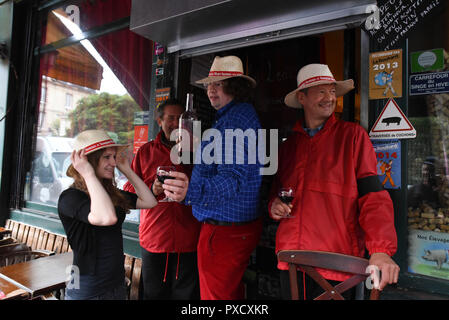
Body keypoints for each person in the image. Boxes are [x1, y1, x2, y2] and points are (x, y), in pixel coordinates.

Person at [269, 64, 400, 299]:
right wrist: (274, 205)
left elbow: (373, 198)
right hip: (291, 260)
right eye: (321, 91)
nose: (329, 98)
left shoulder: (353, 137)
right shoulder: (288, 148)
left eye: (332, 91)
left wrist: (380, 250)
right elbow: (276, 192)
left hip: (337, 263)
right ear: (302, 97)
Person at [163, 55, 263, 300]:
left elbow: (233, 178)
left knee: (215, 298)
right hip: (232, 230)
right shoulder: (232, 118)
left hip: (224, 233)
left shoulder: (235, 121)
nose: (210, 90)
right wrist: (198, 149)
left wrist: (191, 191)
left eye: (219, 84)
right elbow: (228, 165)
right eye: (209, 84)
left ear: (235, 87)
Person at [58, 129, 157, 300]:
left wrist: (127, 169)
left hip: (116, 282)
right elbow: (106, 218)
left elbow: (150, 201)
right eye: (107, 157)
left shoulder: (111, 193)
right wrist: (88, 173)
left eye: (114, 156)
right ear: (89, 161)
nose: (113, 162)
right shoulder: (70, 197)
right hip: (85, 285)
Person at [123, 99, 201, 300]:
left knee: (186, 296)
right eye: (171, 118)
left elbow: (206, 187)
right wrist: (151, 189)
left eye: (180, 119)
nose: (176, 123)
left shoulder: (197, 152)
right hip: (154, 239)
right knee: (154, 295)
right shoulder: (145, 152)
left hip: (188, 238)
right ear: (159, 120)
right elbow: (128, 193)